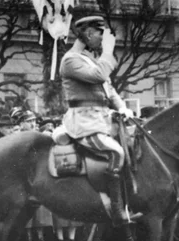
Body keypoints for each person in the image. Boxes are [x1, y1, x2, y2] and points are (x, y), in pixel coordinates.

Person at [59, 15, 138, 226]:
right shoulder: (70, 60)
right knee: (115, 152)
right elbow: (98, 76)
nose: (102, 38)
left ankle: (131, 202)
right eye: (98, 33)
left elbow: (109, 90)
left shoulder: (92, 59)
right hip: (84, 122)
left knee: (131, 146)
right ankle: (116, 210)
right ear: (86, 34)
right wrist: (108, 52)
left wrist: (122, 108)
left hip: (102, 120)